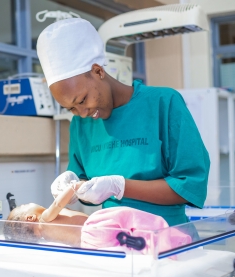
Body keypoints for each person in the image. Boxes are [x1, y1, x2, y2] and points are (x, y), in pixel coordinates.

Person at [36, 18, 210, 226]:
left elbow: (190, 186)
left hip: (169, 239)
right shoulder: (81, 125)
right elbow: (85, 188)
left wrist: (121, 186)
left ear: (98, 71)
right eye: (71, 108)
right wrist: (72, 187)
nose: (82, 113)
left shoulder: (163, 103)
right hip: (110, 240)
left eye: (82, 100)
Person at [3, 177, 191, 253]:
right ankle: (166, 241)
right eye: (25, 205)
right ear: (30, 218)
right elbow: (58, 204)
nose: (30, 203)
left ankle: (149, 247)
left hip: (90, 244)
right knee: (128, 217)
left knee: (126, 243)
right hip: (94, 228)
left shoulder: (47, 237)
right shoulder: (44, 220)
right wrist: (72, 187)